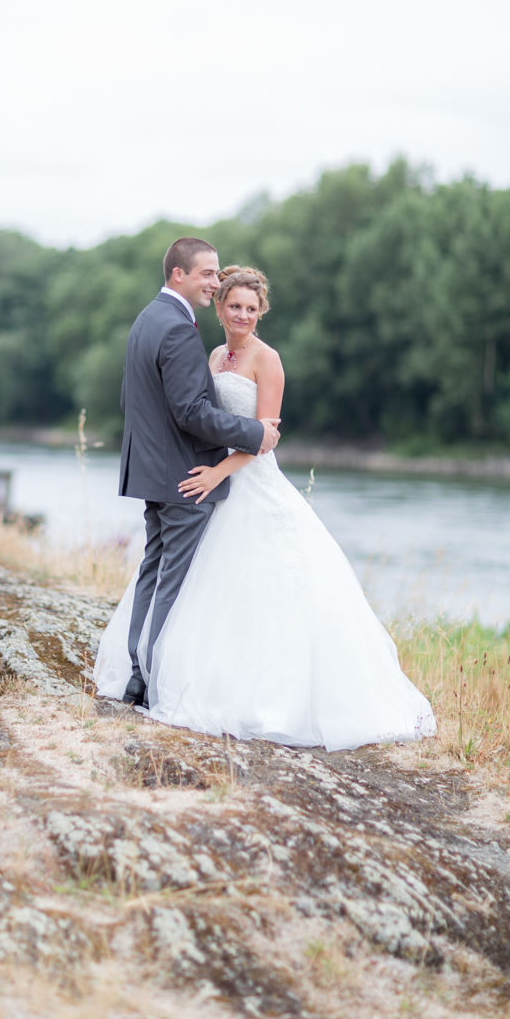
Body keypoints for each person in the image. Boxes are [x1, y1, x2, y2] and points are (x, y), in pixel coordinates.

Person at [96, 264, 436, 752]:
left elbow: (265, 438)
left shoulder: (267, 359)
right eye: (234, 305)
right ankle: (169, 672)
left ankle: (269, 695)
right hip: (210, 485)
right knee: (203, 585)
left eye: (251, 308)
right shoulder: (213, 353)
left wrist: (216, 472)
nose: (242, 315)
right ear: (219, 307)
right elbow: (196, 415)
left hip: (248, 480)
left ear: (262, 312)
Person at [115, 238, 282, 709]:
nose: (214, 281)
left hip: (163, 473)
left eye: (250, 306)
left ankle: (139, 671)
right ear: (179, 275)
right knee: (174, 580)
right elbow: (190, 410)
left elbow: (133, 403)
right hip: (188, 476)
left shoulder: (147, 319)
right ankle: (149, 679)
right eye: (208, 275)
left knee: (156, 572)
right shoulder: (184, 333)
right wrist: (253, 432)